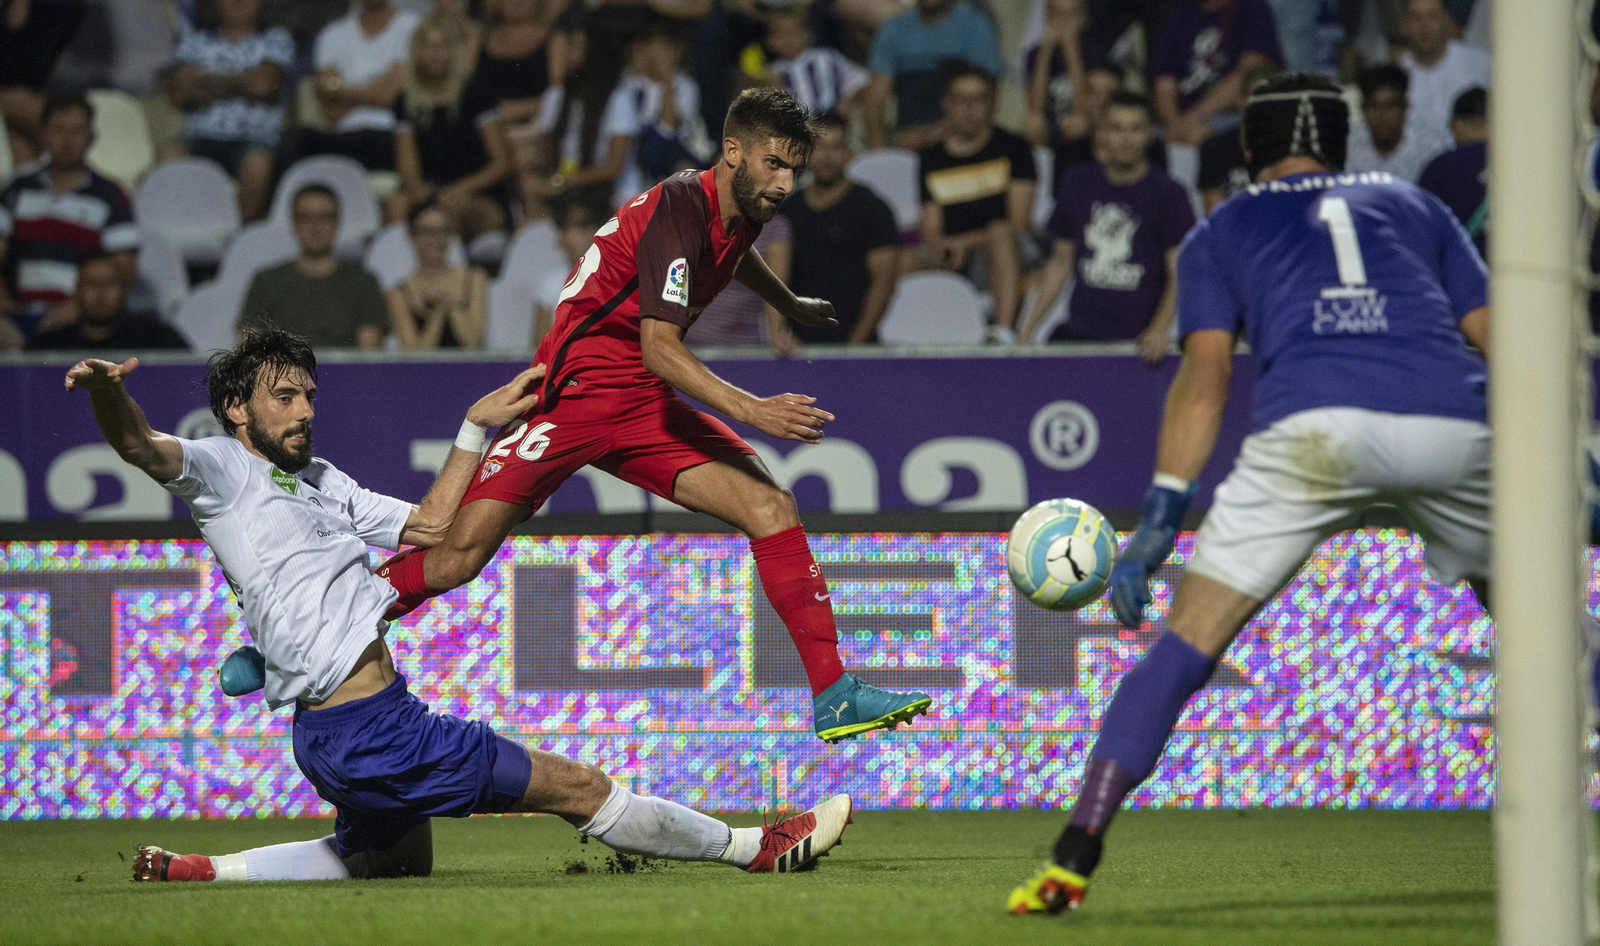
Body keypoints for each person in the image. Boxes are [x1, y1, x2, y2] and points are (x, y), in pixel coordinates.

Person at [61, 332, 851, 882]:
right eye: (283, 397)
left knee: (393, 862)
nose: (303, 410)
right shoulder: (220, 472)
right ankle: (753, 848)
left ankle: (207, 870)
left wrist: (475, 425)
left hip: (341, 733)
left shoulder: (325, 481)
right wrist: (108, 394)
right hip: (372, 733)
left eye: (308, 395)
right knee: (577, 787)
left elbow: (434, 525)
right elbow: (139, 446)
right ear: (237, 410)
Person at [1008, 71, 1490, 915]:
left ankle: (1072, 856)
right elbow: (1499, 336)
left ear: (1245, 148)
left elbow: (1204, 381)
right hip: (1452, 423)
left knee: (1184, 648)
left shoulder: (1223, 226)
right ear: (1340, 142)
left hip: (1312, 431)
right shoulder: (1417, 205)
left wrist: (1161, 521)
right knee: (1556, 634)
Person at [376, 87, 934, 743]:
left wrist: (790, 302)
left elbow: (732, 253)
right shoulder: (678, 206)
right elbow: (660, 348)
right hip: (573, 396)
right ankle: (321, 619)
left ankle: (835, 693)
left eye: (794, 169)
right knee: (456, 558)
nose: (785, 183)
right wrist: (753, 409)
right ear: (733, 151)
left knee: (771, 507)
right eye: (775, 165)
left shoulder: (743, 205)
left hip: (640, 402)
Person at [1018, 92, 1194, 357]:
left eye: (1135, 129)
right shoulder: (1077, 183)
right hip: (1079, 336)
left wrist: (1159, 330)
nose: (1126, 139)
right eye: (1116, 128)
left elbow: (1180, 271)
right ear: (1100, 134)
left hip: (1137, 343)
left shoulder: (1169, 194)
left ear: (1149, 134)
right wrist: (1028, 329)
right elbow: (1060, 261)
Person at [0, 91, 140, 342]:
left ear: (91, 137)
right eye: (58, 130)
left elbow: (124, 268)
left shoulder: (110, 195)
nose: (67, 140)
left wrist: (77, 307)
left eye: (76, 131)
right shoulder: (17, 187)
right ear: (42, 135)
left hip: (80, 322)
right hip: (17, 319)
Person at [917, 62, 1037, 342]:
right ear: (946, 104)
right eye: (961, 100)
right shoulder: (931, 158)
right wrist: (944, 247)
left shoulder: (1014, 148)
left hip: (1009, 249)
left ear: (991, 103)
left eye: (979, 99)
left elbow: (1019, 223)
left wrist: (964, 243)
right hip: (957, 255)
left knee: (999, 231)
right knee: (903, 260)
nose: (970, 109)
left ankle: (1003, 333)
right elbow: (931, 229)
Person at [165, 0, 295, 223]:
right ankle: (188, 230)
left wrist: (207, 81)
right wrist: (243, 81)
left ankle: (236, 236)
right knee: (168, 156)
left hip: (255, 138)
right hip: (199, 137)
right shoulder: (194, 40)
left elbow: (262, 85)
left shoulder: (276, 38)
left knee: (258, 165)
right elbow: (181, 92)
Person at [778, 112, 899, 346]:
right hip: (797, 350)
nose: (827, 157)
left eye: (836, 147)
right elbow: (776, 279)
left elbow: (883, 285)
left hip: (857, 348)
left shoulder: (872, 208)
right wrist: (781, 335)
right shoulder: (788, 211)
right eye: (819, 148)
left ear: (849, 152)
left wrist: (852, 348)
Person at [390, 16, 511, 242]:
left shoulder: (476, 93)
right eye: (428, 46)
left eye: (442, 46)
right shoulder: (404, 102)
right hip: (431, 189)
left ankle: (450, 264)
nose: (435, 54)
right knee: (398, 205)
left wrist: (463, 188)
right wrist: (419, 191)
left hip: (477, 191)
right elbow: (407, 166)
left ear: (453, 51)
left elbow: (501, 163)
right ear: (417, 52)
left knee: (448, 209)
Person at [239, 184, 388, 349]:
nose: (315, 226)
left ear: (337, 222)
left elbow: (369, 355)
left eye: (324, 217)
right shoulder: (266, 282)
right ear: (294, 223)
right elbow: (248, 349)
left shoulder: (363, 283)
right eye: (305, 218)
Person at [287, 0, 420, 172]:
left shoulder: (414, 27)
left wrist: (341, 91)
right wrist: (381, 88)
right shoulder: (332, 34)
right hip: (344, 135)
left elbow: (395, 97)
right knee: (298, 141)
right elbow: (330, 110)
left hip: (393, 135)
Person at [863, 0, 1003, 151]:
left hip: (962, 137)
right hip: (908, 137)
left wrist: (931, 133)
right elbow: (875, 100)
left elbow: (986, 98)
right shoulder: (893, 29)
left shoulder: (975, 27)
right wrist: (878, 149)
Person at [1152, 0, 1282, 146]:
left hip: (1228, 113)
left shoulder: (1251, 7)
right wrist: (1173, 124)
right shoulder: (1180, 13)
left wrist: (1193, 118)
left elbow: (1249, 74)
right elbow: (1164, 83)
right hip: (1180, 119)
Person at [29, 252, 189, 351]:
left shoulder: (158, 340)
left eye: (110, 283)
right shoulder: (50, 345)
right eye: (91, 284)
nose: (101, 292)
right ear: (76, 291)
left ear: (124, 289)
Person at [684, 213, 794, 352]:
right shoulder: (698, 217)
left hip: (744, 348)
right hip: (687, 343)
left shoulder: (775, 227)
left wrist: (777, 335)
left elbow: (776, 289)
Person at [387, 201, 488, 350]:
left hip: (466, 365)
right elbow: (413, 355)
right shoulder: (399, 293)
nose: (436, 239)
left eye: (443, 231)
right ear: (412, 236)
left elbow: (473, 343)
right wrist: (438, 313)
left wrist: (449, 303)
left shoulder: (474, 278)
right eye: (428, 231)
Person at [1396, 0, 1490, 144]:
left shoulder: (1481, 64)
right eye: (1416, 18)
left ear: (1447, 20)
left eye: (1432, 16)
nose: (1424, 26)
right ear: (1405, 24)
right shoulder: (1397, 75)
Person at [1346, 64, 1449, 184]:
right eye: (1374, 106)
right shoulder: (1347, 145)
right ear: (1363, 109)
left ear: (1404, 107)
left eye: (1391, 106)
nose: (1382, 115)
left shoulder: (1432, 149)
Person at [1418, 86, 1487, 259]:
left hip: (1460, 270)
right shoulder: (1518, 167)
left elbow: (1422, 231)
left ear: (1456, 124)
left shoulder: (1439, 168)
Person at [764, 8, 869, 119]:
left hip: (834, 119)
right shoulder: (772, 71)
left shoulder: (827, 57)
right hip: (799, 124)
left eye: (794, 33)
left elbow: (861, 78)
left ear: (808, 34)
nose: (788, 41)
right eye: (781, 36)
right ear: (769, 41)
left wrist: (847, 100)